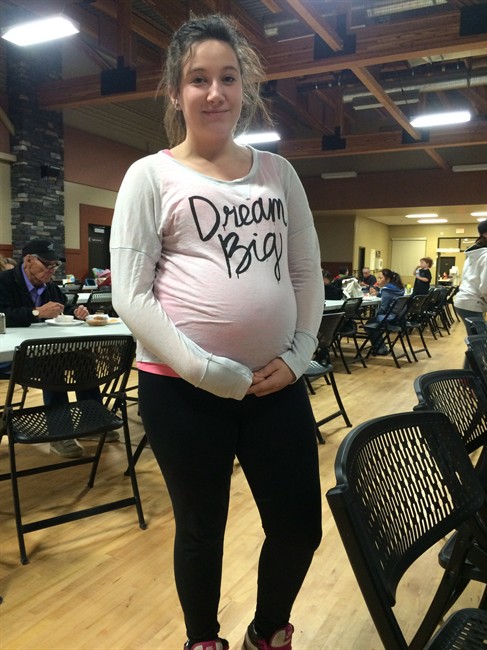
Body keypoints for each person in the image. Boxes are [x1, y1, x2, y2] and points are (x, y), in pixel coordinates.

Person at [110, 14, 323, 650]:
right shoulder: (150, 176)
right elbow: (131, 294)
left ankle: (267, 630)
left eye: (227, 78)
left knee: (299, 527)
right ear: (176, 92)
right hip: (181, 390)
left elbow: (306, 273)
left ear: (244, 87)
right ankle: (203, 639)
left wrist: (300, 355)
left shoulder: (278, 174)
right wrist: (205, 371)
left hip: (275, 386)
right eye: (198, 79)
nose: (214, 92)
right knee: (202, 530)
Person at [0, 238, 119, 457]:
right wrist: (36, 313)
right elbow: (2, 314)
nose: (51, 270)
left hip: (45, 348)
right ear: (28, 260)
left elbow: (65, 307)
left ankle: (91, 420)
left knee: (83, 357)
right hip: (16, 356)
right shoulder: (5, 282)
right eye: (46, 264)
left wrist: (77, 312)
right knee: (53, 362)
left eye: (54, 265)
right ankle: (60, 432)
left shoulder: (50, 287)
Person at [453, 220, 487, 364]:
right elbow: (485, 287)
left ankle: (468, 374)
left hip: (466, 302)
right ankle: (470, 375)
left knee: (478, 343)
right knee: (480, 344)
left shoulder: (475, 253)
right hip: (471, 303)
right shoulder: (484, 254)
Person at [367, 268, 405, 355]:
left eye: (380, 278)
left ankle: (380, 348)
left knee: (370, 324)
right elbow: (390, 296)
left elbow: (383, 308)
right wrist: (378, 294)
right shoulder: (399, 288)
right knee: (374, 322)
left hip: (390, 318)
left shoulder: (386, 290)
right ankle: (381, 346)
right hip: (399, 317)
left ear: (388, 279)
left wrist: (377, 316)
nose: (378, 280)